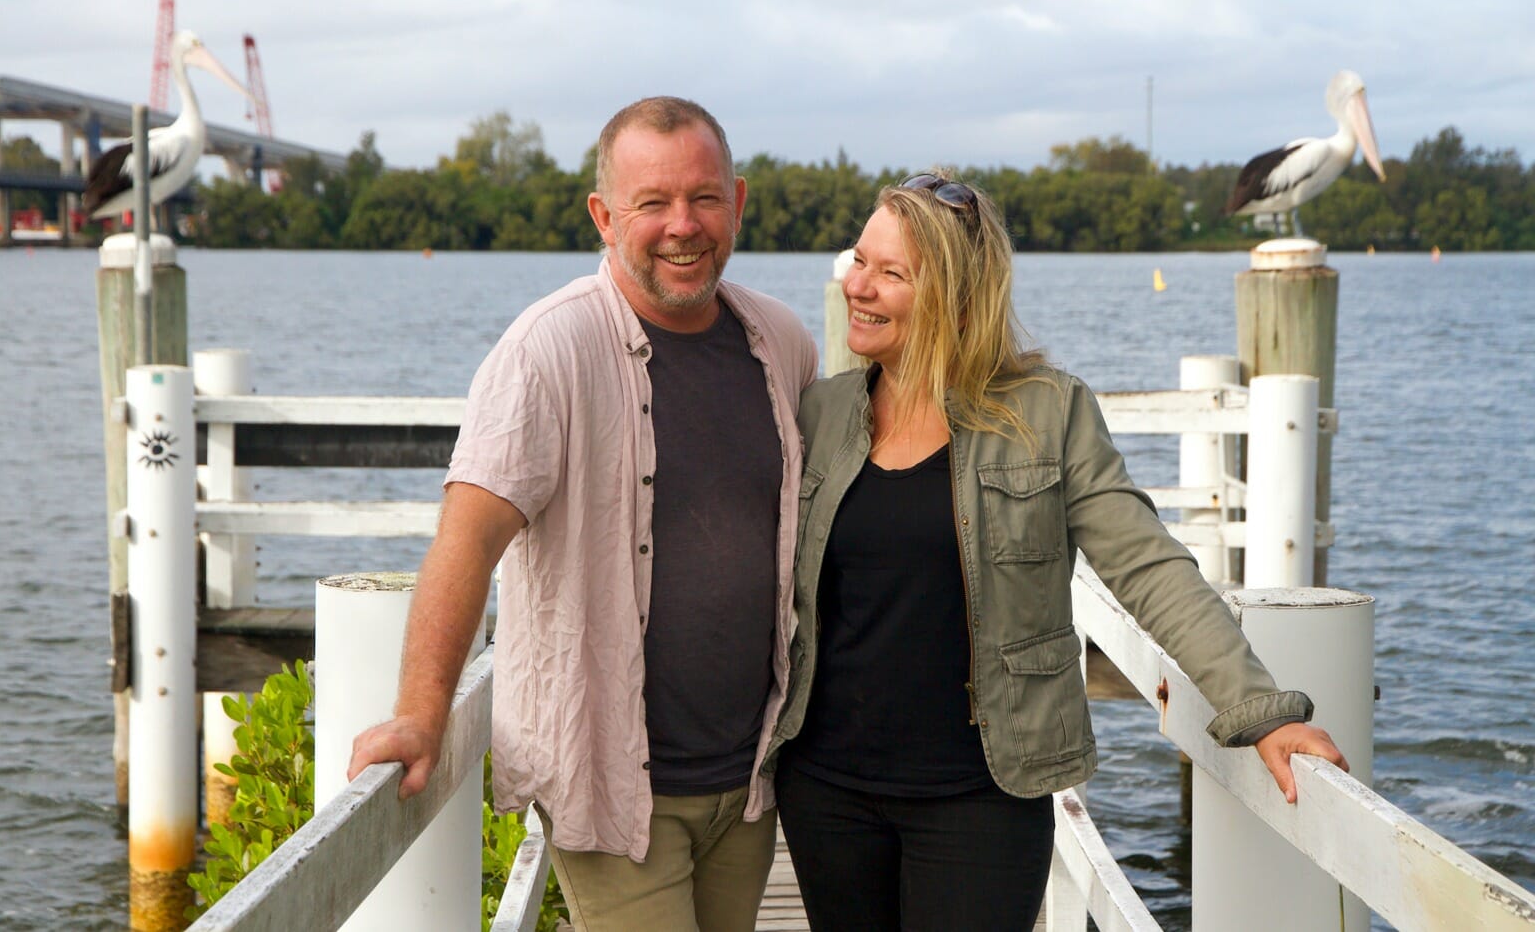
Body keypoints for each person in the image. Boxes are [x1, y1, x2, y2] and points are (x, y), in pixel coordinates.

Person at [761, 173, 1349, 931]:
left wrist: (1261, 710)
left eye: (889, 272)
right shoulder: (821, 410)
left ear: (957, 298)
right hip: (827, 790)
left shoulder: (1047, 411)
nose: (856, 286)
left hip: (981, 796)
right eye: (859, 260)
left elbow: (1147, 566)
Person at [347, 97, 817, 932]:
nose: (683, 225)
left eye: (704, 198)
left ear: (738, 202)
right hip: (613, 787)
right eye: (653, 203)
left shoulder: (781, 344)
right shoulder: (546, 351)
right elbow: (466, 542)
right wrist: (421, 714)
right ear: (605, 217)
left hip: (749, 781)